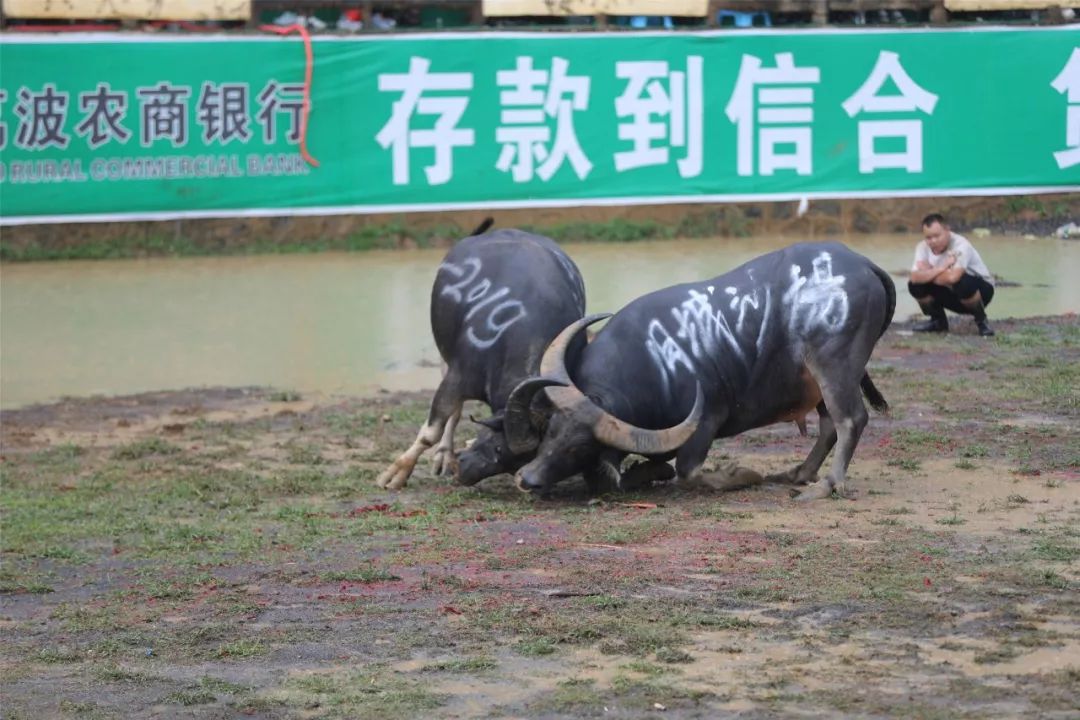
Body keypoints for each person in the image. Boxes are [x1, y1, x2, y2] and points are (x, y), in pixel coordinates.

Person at [908, 213, 996, 336]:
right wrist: (942, 267)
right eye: (928, 237)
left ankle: (982, 321)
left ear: (947, 231)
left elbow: (953, 277)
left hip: (981, 292)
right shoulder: (922, 247)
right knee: (914, 286)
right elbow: (914, 278)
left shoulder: (961, 245)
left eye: (937, 236)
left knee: (962, 282)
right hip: (951, 293)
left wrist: (929, 272)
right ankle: (938, 322)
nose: (933, 241)